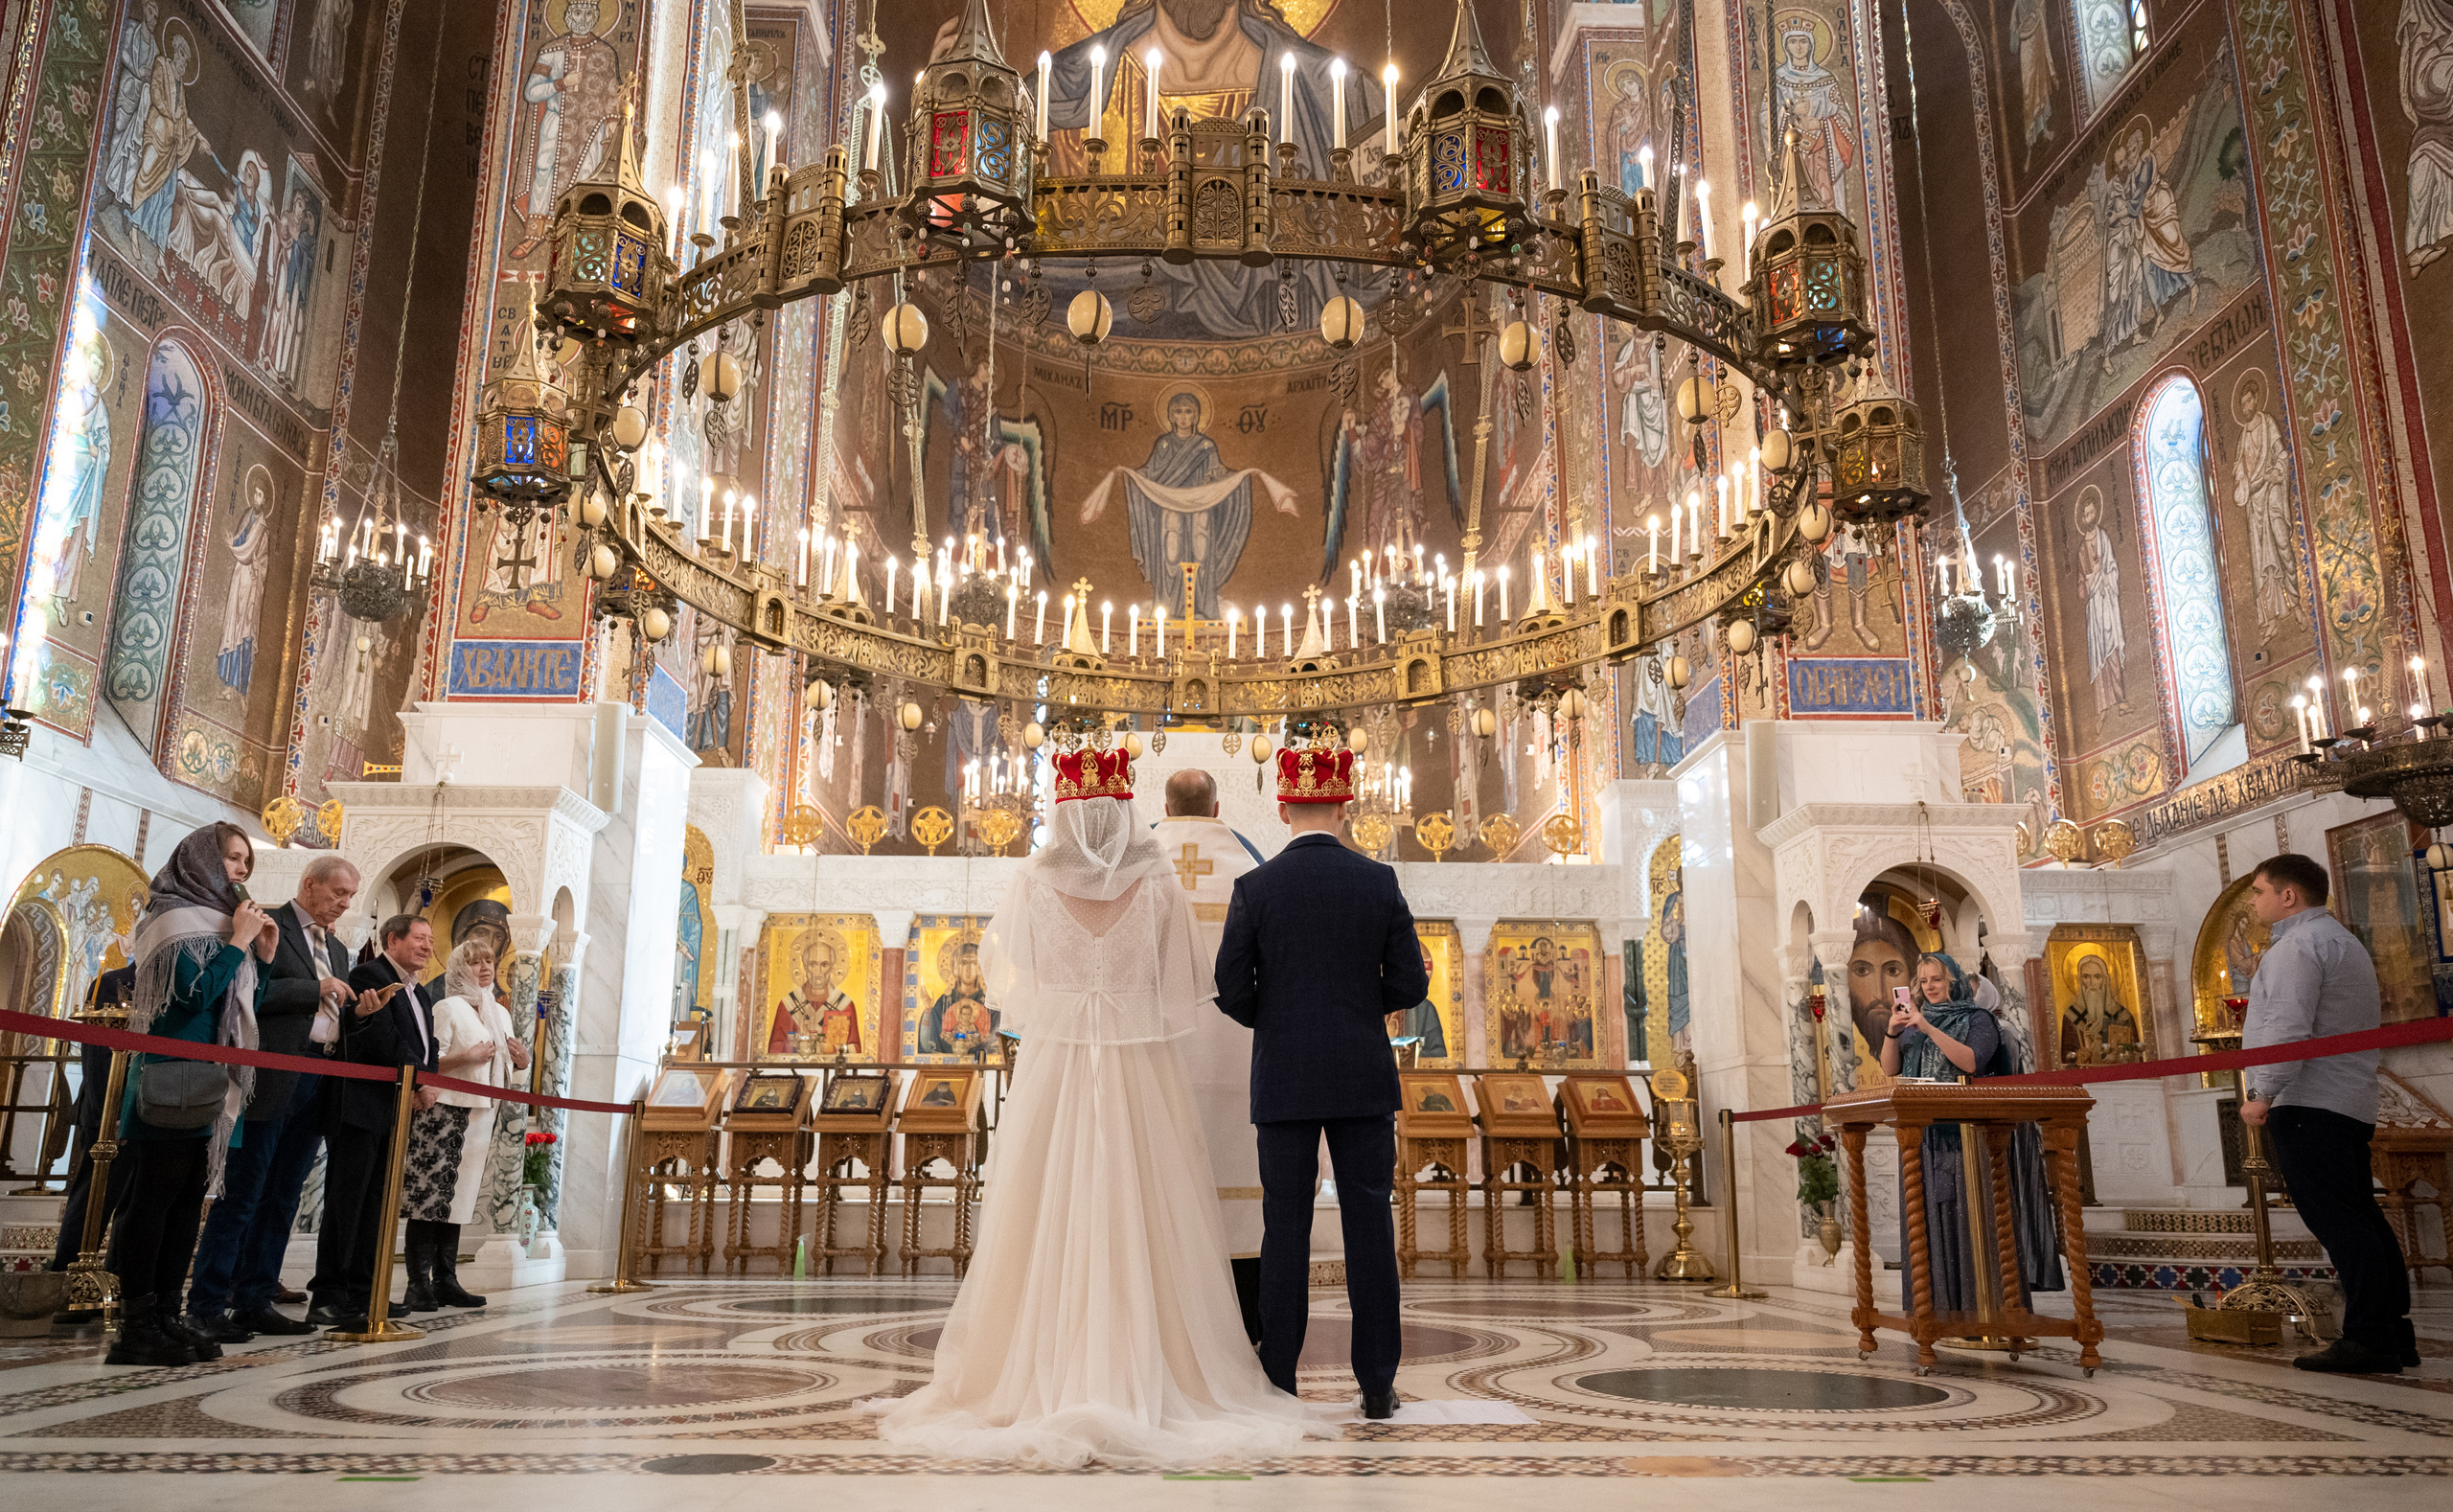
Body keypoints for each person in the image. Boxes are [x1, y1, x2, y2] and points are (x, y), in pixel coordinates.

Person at [874, 746, 1326, 1466]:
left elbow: (1011, 975)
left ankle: (1040, 1364)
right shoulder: (1158, 882)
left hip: (1056, 1064)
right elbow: (1181, 984)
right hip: (1140, 1064)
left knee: (1045, 1202)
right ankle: (1151, 1362)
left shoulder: (1032, 881)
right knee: (1144, 1202)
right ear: (1123, 810)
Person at [1216, 744, 1431, 1421]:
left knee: (1285, 1226)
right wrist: (1362, 1008)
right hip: (1362, 1074)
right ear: (1345, 808)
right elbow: (1411, 984)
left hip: (1284, 1076)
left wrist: (1276, 1018)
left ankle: (1280, 1378)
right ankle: (1377, 1386)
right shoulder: (1379, 881)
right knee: (1370, 1224)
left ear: (1283, 809)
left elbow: (1229, 986)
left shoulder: (1256, 887)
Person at [104, 822, 275, 1367]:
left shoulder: (223, 923)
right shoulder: (171, 917)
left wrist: (261, 958)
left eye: (245, 861)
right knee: (153, 1202)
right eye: (232, 858)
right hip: (167, 1078)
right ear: (200, 859)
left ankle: (167, 1316)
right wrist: (239, 943)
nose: (241, 870)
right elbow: (191, 997)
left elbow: (241, 1010)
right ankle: (135, 1326)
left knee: (185, 1207)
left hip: (209, 1083)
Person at [2240, 854, 2418, 1373]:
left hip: (2310, 1102)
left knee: (2340, 1220)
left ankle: (2369, 1337)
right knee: (2360, 1214)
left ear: (2288, 895)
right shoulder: (2341, 940)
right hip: (2345, 1099)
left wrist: (2263, 1092)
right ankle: (2392, 1333)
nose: (2252, 901)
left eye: (2258, 891)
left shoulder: (2297, 947)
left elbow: (2288, 1027)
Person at [187, 854, 358, 1340]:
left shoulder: (338, 948)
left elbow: (331, 1011)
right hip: (271, 1076)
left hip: (319, 1075)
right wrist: (314, 989)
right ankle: (206, 1303)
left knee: (284, 1196)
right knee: (244, 1192)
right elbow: (250, 991)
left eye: (350, 896)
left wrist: (359, 1011)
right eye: (338, 893)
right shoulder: (269, 925)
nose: (345, 904)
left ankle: (255, 1299)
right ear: (310, 884)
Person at [1877, 951, 2063, 1317]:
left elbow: (1972, 1061)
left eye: (1937, 979)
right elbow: (1890, 1068)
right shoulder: (1915, 1021)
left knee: (1971, 1220)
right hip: (1925, 1139)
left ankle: (1989, 1311)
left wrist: (1928, 1029)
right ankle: (1942, 1313)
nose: (1930, 987)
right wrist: (1893, 1031)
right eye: (1924, 981)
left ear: (1954, 981)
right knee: (1929, 1221)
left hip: (1970, 1138)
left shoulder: (1977, 1019)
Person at [1157, 766, 1268, 1344]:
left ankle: (1162, 1322)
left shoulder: (1139, 863)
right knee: (1236, 1179)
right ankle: (1243, 1328)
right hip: (1235, 1060)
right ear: (1217, 809)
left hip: (1154, 1058)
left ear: (1167, 808)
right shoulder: (1249, 867)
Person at [319, 916, 441, 1331]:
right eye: (419, 938)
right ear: (393, 939)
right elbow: (382, 1038)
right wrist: (420, 1081)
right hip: (361, 1106)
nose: (427, 947)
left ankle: (365, 1290)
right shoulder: (369, 975)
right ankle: (330, 1293)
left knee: (377, 1204)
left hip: (393, 1109)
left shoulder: (419, 991)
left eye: (430, 940)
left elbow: (428, 1045)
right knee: (347, 1203)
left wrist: (428, 1080)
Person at [405, 939, 530, 1311]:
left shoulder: (499, 1012)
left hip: (481, 1113)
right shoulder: (448, 1008)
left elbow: (506, 1070)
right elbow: (428, 1062)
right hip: (443, 1112)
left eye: (490, 961)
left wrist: (521, 1062)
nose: (485, 968)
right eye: (476, 962)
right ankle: (417, 1284)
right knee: (429, 1200)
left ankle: (446, 1280)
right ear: (460, 969)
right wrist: (467, 1057)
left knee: (458, 1200)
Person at [48, 966, 137, 1321]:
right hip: (108, 1110)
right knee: (92, 1199)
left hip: (146, 1110)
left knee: (134, 1202)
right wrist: (110, 1114)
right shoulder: (112, 982)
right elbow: (97, 1055)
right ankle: (67, 1286)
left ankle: (119, 1283)